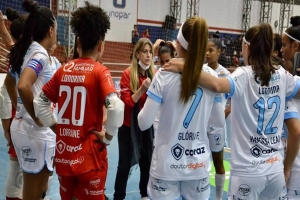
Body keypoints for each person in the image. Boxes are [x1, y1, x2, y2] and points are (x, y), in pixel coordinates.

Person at [163, 23, 300, 200]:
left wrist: (185, 67)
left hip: (248, 171)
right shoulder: (282, 75)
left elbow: (217, 84)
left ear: (246, 47)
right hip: (275, 170)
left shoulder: (244, 74)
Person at [33, 2, 124, 199]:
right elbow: (116, 107)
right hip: (91, 160)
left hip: (64, 157)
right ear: (101, 46)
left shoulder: (62, 70)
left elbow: (39, 103)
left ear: (78, 44)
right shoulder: (101, 72)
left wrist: (56, 127)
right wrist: (108, 138)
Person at [137, 16, 225, 200]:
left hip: (166, 165)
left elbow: (144, 123)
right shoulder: (212, 77)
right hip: (198, 166)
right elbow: (217, 123)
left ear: (178, 43)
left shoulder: (164, 74)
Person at [4, 1, 57, 199]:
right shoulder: (40, 54)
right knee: (35, 192)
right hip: (35, 132)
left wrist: (20, 108)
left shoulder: (27, 49)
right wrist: (36, 116)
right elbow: (23, 85)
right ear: (51, 30)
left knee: (37, 190)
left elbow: (9, 82)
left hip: (25, 129)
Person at [113, 38, 155, 200]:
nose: (148, 55)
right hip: (128, 127)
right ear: (137, 54)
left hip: (145, 127)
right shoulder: (128, 74)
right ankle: (119, 196)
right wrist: (142, 89)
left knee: (147, 163)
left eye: (150, 52)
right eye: (145, 51)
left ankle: (145, 194)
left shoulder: (154, 74)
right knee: (124, 165)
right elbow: (127, 104)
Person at [0, 7, 27, 200]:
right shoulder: (35, 59)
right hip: (27, 121)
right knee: (30, 176)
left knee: (16, 170)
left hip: (16, 123)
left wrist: (6, 128)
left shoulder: (15, 54)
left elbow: (8, 40)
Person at [205, 38, 230, 200]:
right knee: (200, 163)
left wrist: (221, 115)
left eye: (211, 50)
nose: (207, 54)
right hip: (200, 126)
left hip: (217, 128)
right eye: (205, 50)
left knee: (218, 163)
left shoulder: (225, 75)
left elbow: (232, 102)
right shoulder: (201, 71)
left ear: (220, 52)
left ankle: (219, 197)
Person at [281, 15, 300, 199]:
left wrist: (286, 167)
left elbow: (296, 132)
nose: (281, 49)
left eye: (284, 45)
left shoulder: (290, 86)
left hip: (295, 170)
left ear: (296, 47)